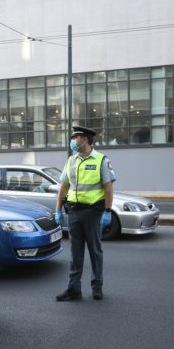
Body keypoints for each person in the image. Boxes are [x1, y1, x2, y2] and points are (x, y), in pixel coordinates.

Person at [55, 126, 116, 301]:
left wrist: (107, 210)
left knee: (95, 251)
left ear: (86, 140)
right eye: (73, 137)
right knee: (75, 253)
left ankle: (97, 287)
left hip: (92, 213)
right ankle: (73, 289)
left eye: (77, 137)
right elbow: (64, 186)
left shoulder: (101, 160)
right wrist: (58, 209)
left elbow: (108, 188)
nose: (73, 140)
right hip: (74, 212)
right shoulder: (71, 161)